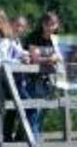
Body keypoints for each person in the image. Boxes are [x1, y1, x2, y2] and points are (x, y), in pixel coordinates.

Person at [23, 11, 64, 139]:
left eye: (53, 24)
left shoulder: (58, 40)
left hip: (51, 81)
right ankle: (34, 141)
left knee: (43, 111)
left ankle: (34, 137)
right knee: (34, 110)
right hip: (33, 79)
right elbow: (33, 57)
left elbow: (65, 57)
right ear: (42, 24)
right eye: (48, 24)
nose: (50, 27)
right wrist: (49, 59)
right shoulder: (34, 37)